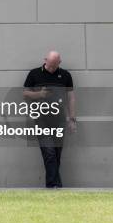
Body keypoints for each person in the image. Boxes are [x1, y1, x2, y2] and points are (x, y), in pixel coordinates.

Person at [23, 51, 76, 188]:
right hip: (41, 119)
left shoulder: (65, 75)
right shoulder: (34, 74)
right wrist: (39, 94)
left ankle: (52, 185)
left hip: (59, 120)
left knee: (57, 153)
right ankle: (54, 185)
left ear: (59, 63)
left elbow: (71, 98)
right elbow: (25, 94)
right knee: (49, 152)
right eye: (49, 65)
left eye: (54, 66)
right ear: (45, 60)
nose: (51, 69)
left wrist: (72, 119)